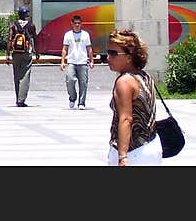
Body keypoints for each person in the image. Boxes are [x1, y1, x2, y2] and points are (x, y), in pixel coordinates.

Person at [106, 29, 162, 167]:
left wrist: (122, 156)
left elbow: (126, 119)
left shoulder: (124, 82)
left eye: (113, 53)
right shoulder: (144, 76)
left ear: (129, 57)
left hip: (133, 151)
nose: (108, 58)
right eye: (107, 52)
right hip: (151, 145)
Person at [6, 5, 39, 107]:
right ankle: (21, 99)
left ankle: (18, 98)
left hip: (16, 53)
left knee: (16, 75)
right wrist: (36, 51)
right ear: (26, 15)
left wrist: (7, 54)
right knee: (25, 75)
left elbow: (10, 39)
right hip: (26, 53)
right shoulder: (31, 25)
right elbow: (35, 39)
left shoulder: (13, 25)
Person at [60, 15, 94, 109]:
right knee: (70, 80)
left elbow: (89, 48)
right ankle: (72, 97)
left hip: (83, 62)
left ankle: (81, 102)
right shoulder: (68, 35)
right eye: (75, 23)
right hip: (71, 61)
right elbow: (64, 49)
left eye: (79, 23)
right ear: (72, 24)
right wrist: (62, 62)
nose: (77, 25)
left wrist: (91, 60)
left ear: (81, 24)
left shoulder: (85, 35)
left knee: (83, 83)